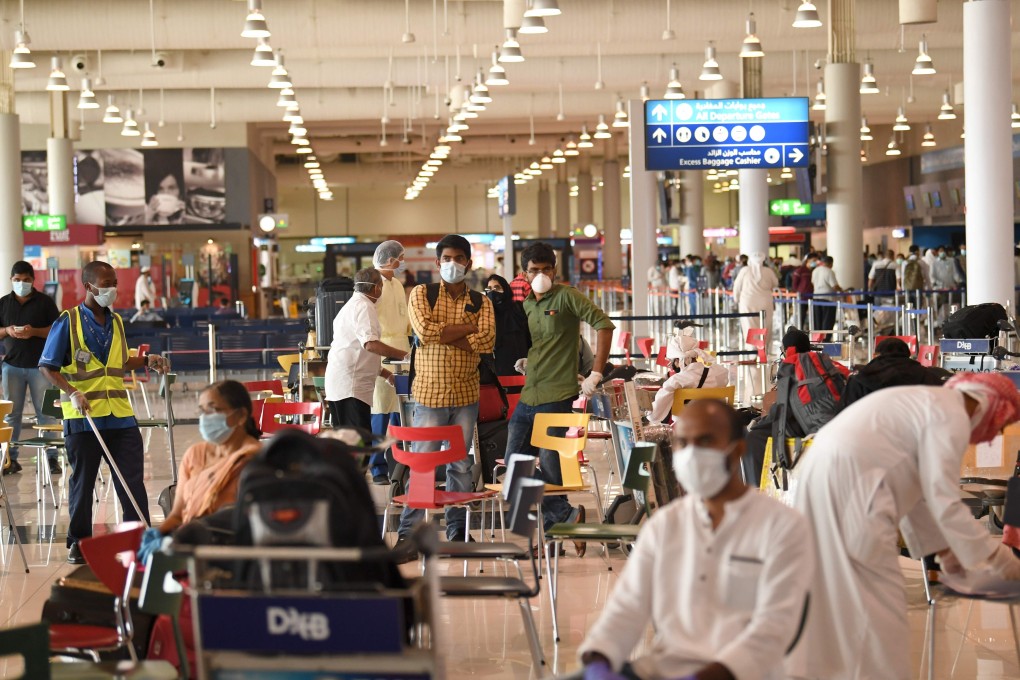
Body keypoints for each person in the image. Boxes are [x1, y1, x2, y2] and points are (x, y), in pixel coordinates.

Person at [790, 373, 1020, 680]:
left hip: (827, 473)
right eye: (1000, 424)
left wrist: (946, 555)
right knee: (877, 608)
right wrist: (1004, 562)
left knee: (842, 597)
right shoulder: (950, 417)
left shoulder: (933, 403)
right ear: (991, 407)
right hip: (853, 485)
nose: (993, 436)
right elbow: (945, 502)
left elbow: (918, 494)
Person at [577, 400, 814, 680]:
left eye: (705, 441)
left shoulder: (782, 527)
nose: (692, 453)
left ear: (737, 449)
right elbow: (626, 607)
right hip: (667, 667)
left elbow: (776, 626)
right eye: (683, 443)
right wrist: (599, 660)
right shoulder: (665, 525)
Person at [38, 260, 170, 564]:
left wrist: (148, 360)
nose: (112, 289)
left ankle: (137, 536)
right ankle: (79, 542)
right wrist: (72, 392)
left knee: (131, 481)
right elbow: (47, 365)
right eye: (106, 284)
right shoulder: (67, 322)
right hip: (83, 418)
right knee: (83, 483)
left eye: (114, 284)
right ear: (88, 286)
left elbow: (122, 362)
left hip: (120, 415)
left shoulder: (118, 322)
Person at [506, 241, 615, 544]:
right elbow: (543, 342)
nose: (540, 274)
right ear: (523, 274)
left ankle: (557, 528)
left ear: (554, 271)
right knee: (516, 469)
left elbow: (604, 325)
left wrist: (596, 371)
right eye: (534, 270)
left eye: (545, 269)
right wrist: (531, 359)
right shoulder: (528, 304)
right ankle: (565, 516)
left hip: (557, 394)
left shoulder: (567, 297)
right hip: (529, 394)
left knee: (550, 464)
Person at [397, 234, 495, 544]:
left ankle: (459, 531)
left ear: (469, 262)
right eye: (447, 259)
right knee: (423, 465)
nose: (453, 264)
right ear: (438, 263)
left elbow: (488, 341)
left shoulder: (482, 301)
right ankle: (408, 535)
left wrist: (445, 333)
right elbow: (424, 331)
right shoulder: (421, 294)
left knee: (461, 467)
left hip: (466, 396)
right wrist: (468, 327)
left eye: (459, 258)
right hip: (429, 395)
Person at [150, 380, 262, 538]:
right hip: (189, 542)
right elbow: (177, 515)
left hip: (229, 547)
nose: (205, 418)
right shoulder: (195, 454)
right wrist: (156, 537)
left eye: (213, 410)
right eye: (202, 411)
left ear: (241, 415)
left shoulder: (253, 459)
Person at [325, 268, 407, 436]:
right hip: (350, 388)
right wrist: (404, 355)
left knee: (346, 443)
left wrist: (386, 374)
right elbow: (370, 345)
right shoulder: (364, 306)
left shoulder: (354, 305)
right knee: (358, 442)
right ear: (377, 287)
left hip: (342, 384)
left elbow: (357, 350)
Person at [0, 261, 60, 475]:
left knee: (46, 414)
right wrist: (7, 330)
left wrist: (33, 331)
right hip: (12, 366)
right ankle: (9, 459)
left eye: (26, 280)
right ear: (11, 280)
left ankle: (52, 458)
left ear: (33, 280)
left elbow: (57, 329)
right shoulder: (3, 303)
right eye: (17, 280)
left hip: (41, 367)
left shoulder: (44, 302)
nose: (21, 283)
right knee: (11, 416)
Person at [369, 240, 413, 484]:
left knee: (401, 410)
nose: (402, 262)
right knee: (380, 412)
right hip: (382, 349)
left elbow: (403, 316)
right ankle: (378, 468)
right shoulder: (374, 285)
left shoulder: (397, 284)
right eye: (400, 257)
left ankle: (401, 465)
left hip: (402, 350)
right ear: (388, 260)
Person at [838, 337, 950, 411]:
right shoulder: (927, 375)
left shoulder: (859, 380)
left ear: (875, 356)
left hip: (871, 437)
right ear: (908, 356)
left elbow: (844, 414)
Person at [649, 333, 729, 423]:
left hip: (686, 429)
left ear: (678, 360)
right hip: (718, 424)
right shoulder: (721, 372)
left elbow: (655, 416)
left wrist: (646, 411)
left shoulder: (676, 381)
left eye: (671, 361)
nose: (670, 365)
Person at [732, 252, 779, 397]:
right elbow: (775, 284)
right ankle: (763, 351)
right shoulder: (768, 271)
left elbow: (736, 287)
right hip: (765, 303)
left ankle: (752, 351)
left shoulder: (745, 271)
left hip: (748, 303)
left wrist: (736, 300)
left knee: (750, 328)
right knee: (765, 328)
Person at [485, 273, 531, 376]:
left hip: (521, 366)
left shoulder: (518, 309)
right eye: (489, 288)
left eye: (497, 288)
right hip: (497, 368)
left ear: (505, 289)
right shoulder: (485, 314)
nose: (493, 292)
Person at [810, 255, 841, 332]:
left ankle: (817, 339)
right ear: (831, 263)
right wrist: (842, 291)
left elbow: (812, 282)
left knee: (817, 320)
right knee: (827, 321)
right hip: (828, 299)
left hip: (816, 298)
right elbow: (834, 286)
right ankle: (825, 339)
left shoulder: (815, 270)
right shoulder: (829, 271)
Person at [790, 253, 817, 328]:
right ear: (808, 260)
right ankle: (799, 332)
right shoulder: (800, 270)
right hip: (802, 298)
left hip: (813, 297)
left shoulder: (814, 271)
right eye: (813, 260)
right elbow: (794, 285)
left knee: (814, 317)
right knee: (801, 316)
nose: (815, 262)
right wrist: (798, 293)